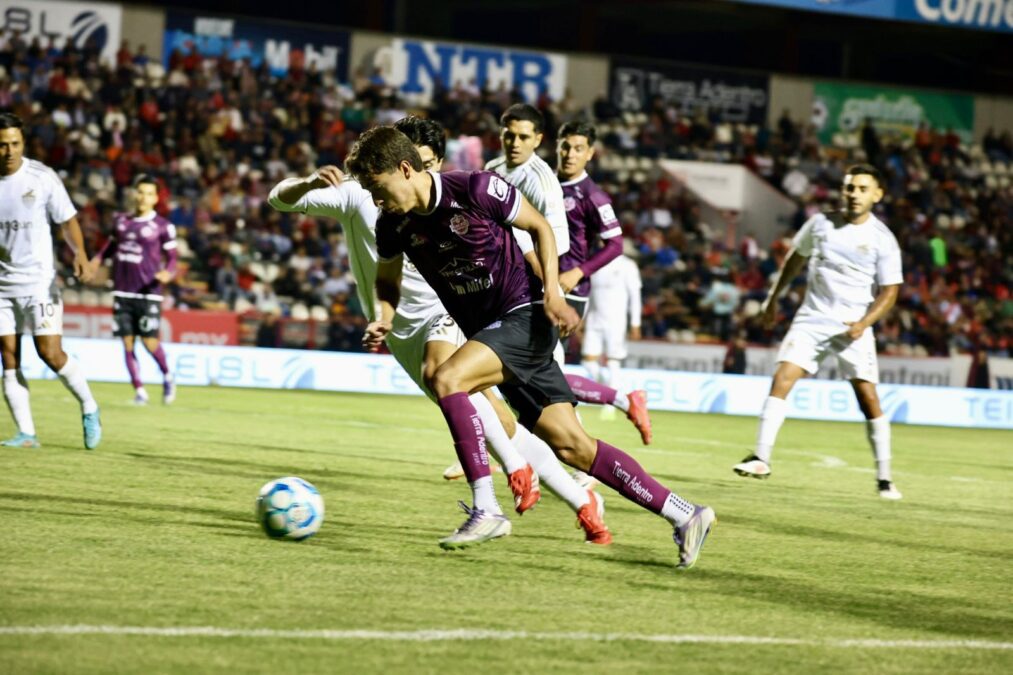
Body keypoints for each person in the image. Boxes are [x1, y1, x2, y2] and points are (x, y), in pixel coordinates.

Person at [348, 126, 714, 568]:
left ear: (405, 169)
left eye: (376, 186)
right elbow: (387, 278)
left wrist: (554, 295)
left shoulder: (476, 188)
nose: (374, 198)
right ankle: (685, 514)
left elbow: (539, 226)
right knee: (573, 447)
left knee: (445, 376)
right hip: (493, 332)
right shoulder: (393, 224)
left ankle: (486, 507)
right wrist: (383, 317)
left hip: (525, 316)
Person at [269, 116, 610, 547]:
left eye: (431, 162)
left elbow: (521, 236)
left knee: (444, 373)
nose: (424, 172)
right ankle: (580, 500)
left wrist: (548, 290)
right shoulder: (361, 195)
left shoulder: (447, 194)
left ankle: (498, 491)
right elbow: (278, 200)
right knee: (501, 422)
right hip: (398, 328)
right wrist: (306, 184)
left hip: (446, 310)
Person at [733, 165, 903, 500]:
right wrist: (772, 299)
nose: (854, 194)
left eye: (862, 188)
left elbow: (890, 291)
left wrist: (864, 323)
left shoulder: (882, 239)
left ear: (877, 195)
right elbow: (795, 260)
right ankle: (761, 457)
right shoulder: (822, 223)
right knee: (782, 377)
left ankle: (885, 478)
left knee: (868, 399)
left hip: (853, 326)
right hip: (813, 318)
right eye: (850, 187)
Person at [0, 112, 101, 449]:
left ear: (23, 142)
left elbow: (68, 221)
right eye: (3, 145)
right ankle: (27, 433)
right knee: (9, 357)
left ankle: (89, 405)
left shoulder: (41, 177)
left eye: (15, 143)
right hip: (2, 286)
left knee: (50, 353)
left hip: (39, 282)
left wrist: (81, 255)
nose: (9, 151)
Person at [555, 120, 651, 443]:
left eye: (578, 148)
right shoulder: (545, 183)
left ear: (590, 154)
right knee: (542, 375)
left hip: (569, 291)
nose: (570, 154)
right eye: (565, 146)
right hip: (538, 286)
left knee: (538, 373)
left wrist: (578, 272)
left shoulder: (593, 196)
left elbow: (615, 245)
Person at [92, 174, 177, 405]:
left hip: (148, 292)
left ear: (156, 198)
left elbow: (172, 258)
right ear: (134, 194)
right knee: (127, 343)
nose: (143, 197)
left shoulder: (163, 226)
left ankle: (168, 376)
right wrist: (97, 260)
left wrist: (168, 272)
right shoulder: (120, 221)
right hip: (123, 292)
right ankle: (139, 391)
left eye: (149, 193)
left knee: (149, 342)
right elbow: (109, 247)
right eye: (140, 192)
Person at [581, 254, 643, 405]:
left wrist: (636, 323)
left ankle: (612, 405)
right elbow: (588, 294)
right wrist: (582, 317)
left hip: (616, 322)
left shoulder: (627, 265)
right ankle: (605, 389)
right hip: (594, 320)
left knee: (613, 361)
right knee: (587, 362)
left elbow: (635, 295)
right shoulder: (594, 263)